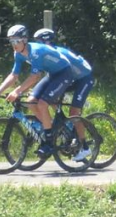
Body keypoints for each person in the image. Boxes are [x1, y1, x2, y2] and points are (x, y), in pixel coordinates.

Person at [0, 25, 74, 157]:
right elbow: (13, 75)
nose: (14, 45)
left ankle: (50, 142)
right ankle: (51, 128)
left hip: (64, 73)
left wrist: (17, 91)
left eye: (16, 41)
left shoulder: (35, 51)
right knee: (30, 102)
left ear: (24, 40)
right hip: (51, 74)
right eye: (11, 41)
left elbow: (35, 76)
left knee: (42, 104)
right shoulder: (18, 53)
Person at [33, 28, 94, 161]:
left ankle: (84, 147)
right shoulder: (45, 54)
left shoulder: (58, 53)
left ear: (46, 42)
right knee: (50, 99)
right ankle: (65, 127)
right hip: (71, 79)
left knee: (74, 112)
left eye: (39, 41)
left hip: (84, 79)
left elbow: (68, 73)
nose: (36, 44)